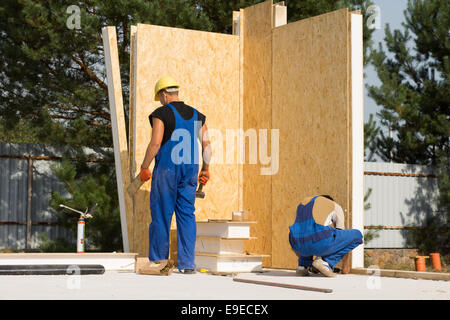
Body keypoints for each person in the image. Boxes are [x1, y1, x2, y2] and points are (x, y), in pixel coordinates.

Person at [139, 76, 211, 274]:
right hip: (190, 171)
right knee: (186, 216)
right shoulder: (197, 115)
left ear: (163, 94)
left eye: (160, 98)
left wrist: (145, 166)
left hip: (167, 170)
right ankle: (187, 265)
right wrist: (206, 169)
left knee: (162, 216)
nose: (161, 101)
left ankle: (159, 263)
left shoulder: (161, 113)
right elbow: (207, 146)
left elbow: (155, 143)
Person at [288, 195, 363, 277]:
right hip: (318, 241)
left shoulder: (304, 203)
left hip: (295, 243)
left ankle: (302, 266)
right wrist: (345, 266)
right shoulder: (334, 205)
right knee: (357, 235)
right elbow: (342, 239)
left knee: (307, 233)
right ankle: (326, 262)